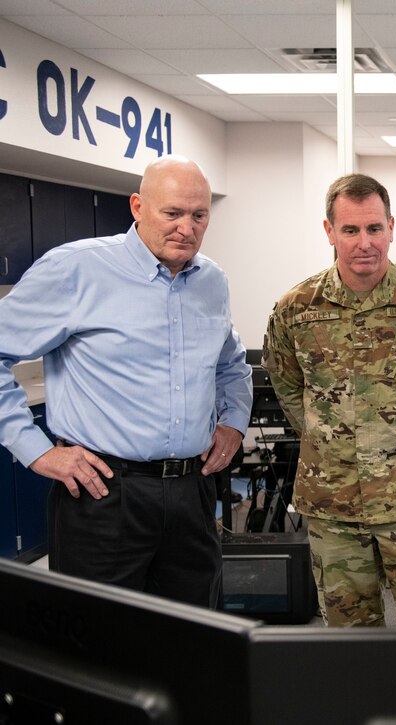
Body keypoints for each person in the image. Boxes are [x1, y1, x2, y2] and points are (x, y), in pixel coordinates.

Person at [0, 155, 252, 607]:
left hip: (192, 492)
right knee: (100, 645)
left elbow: (230, 363)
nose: (186, 228)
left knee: (195, 639)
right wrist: (35, 451)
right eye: (172, 213)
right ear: (138, 206)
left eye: (199, 215)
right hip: (103, 494)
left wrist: (233, 422)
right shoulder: (76, 270)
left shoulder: (211, 280)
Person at [263, 174, 396, 627]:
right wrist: (327, 438)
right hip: (332, 500)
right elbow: (287, 383)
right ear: (329, 231)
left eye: (374, 228)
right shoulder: (296, 308)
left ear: (391, 227)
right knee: (349, 635)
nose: (364, 243)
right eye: (351, 230)